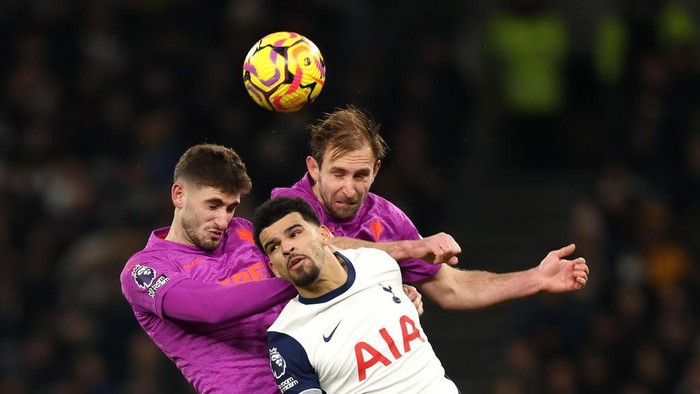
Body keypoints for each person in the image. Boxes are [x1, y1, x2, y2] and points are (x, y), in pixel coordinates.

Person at [119, 143, 428, 394]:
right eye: (213, 205)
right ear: (179, 195)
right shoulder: (145, 269)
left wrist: (377, 291)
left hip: (326, 377)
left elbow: (316, 254)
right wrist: (305, 275)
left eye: (231, 207)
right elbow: (210, 307)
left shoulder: (243, 232)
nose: (223, 220)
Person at [271, 105, 589, 310]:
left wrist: (535, 278)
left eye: (361, 175)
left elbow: (452, 288)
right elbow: (317, 248)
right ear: (314, 168)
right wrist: (408, 251)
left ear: (376, 171)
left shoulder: (388, 218)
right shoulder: (287, 205)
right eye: (338, 174)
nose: (350, 188)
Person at [252, 196, 462, 393]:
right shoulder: (287, 337)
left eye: (295, 233)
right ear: (274, 268)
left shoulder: (378, 263)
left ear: (324, 235)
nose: (287, 247)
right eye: (274, 247)